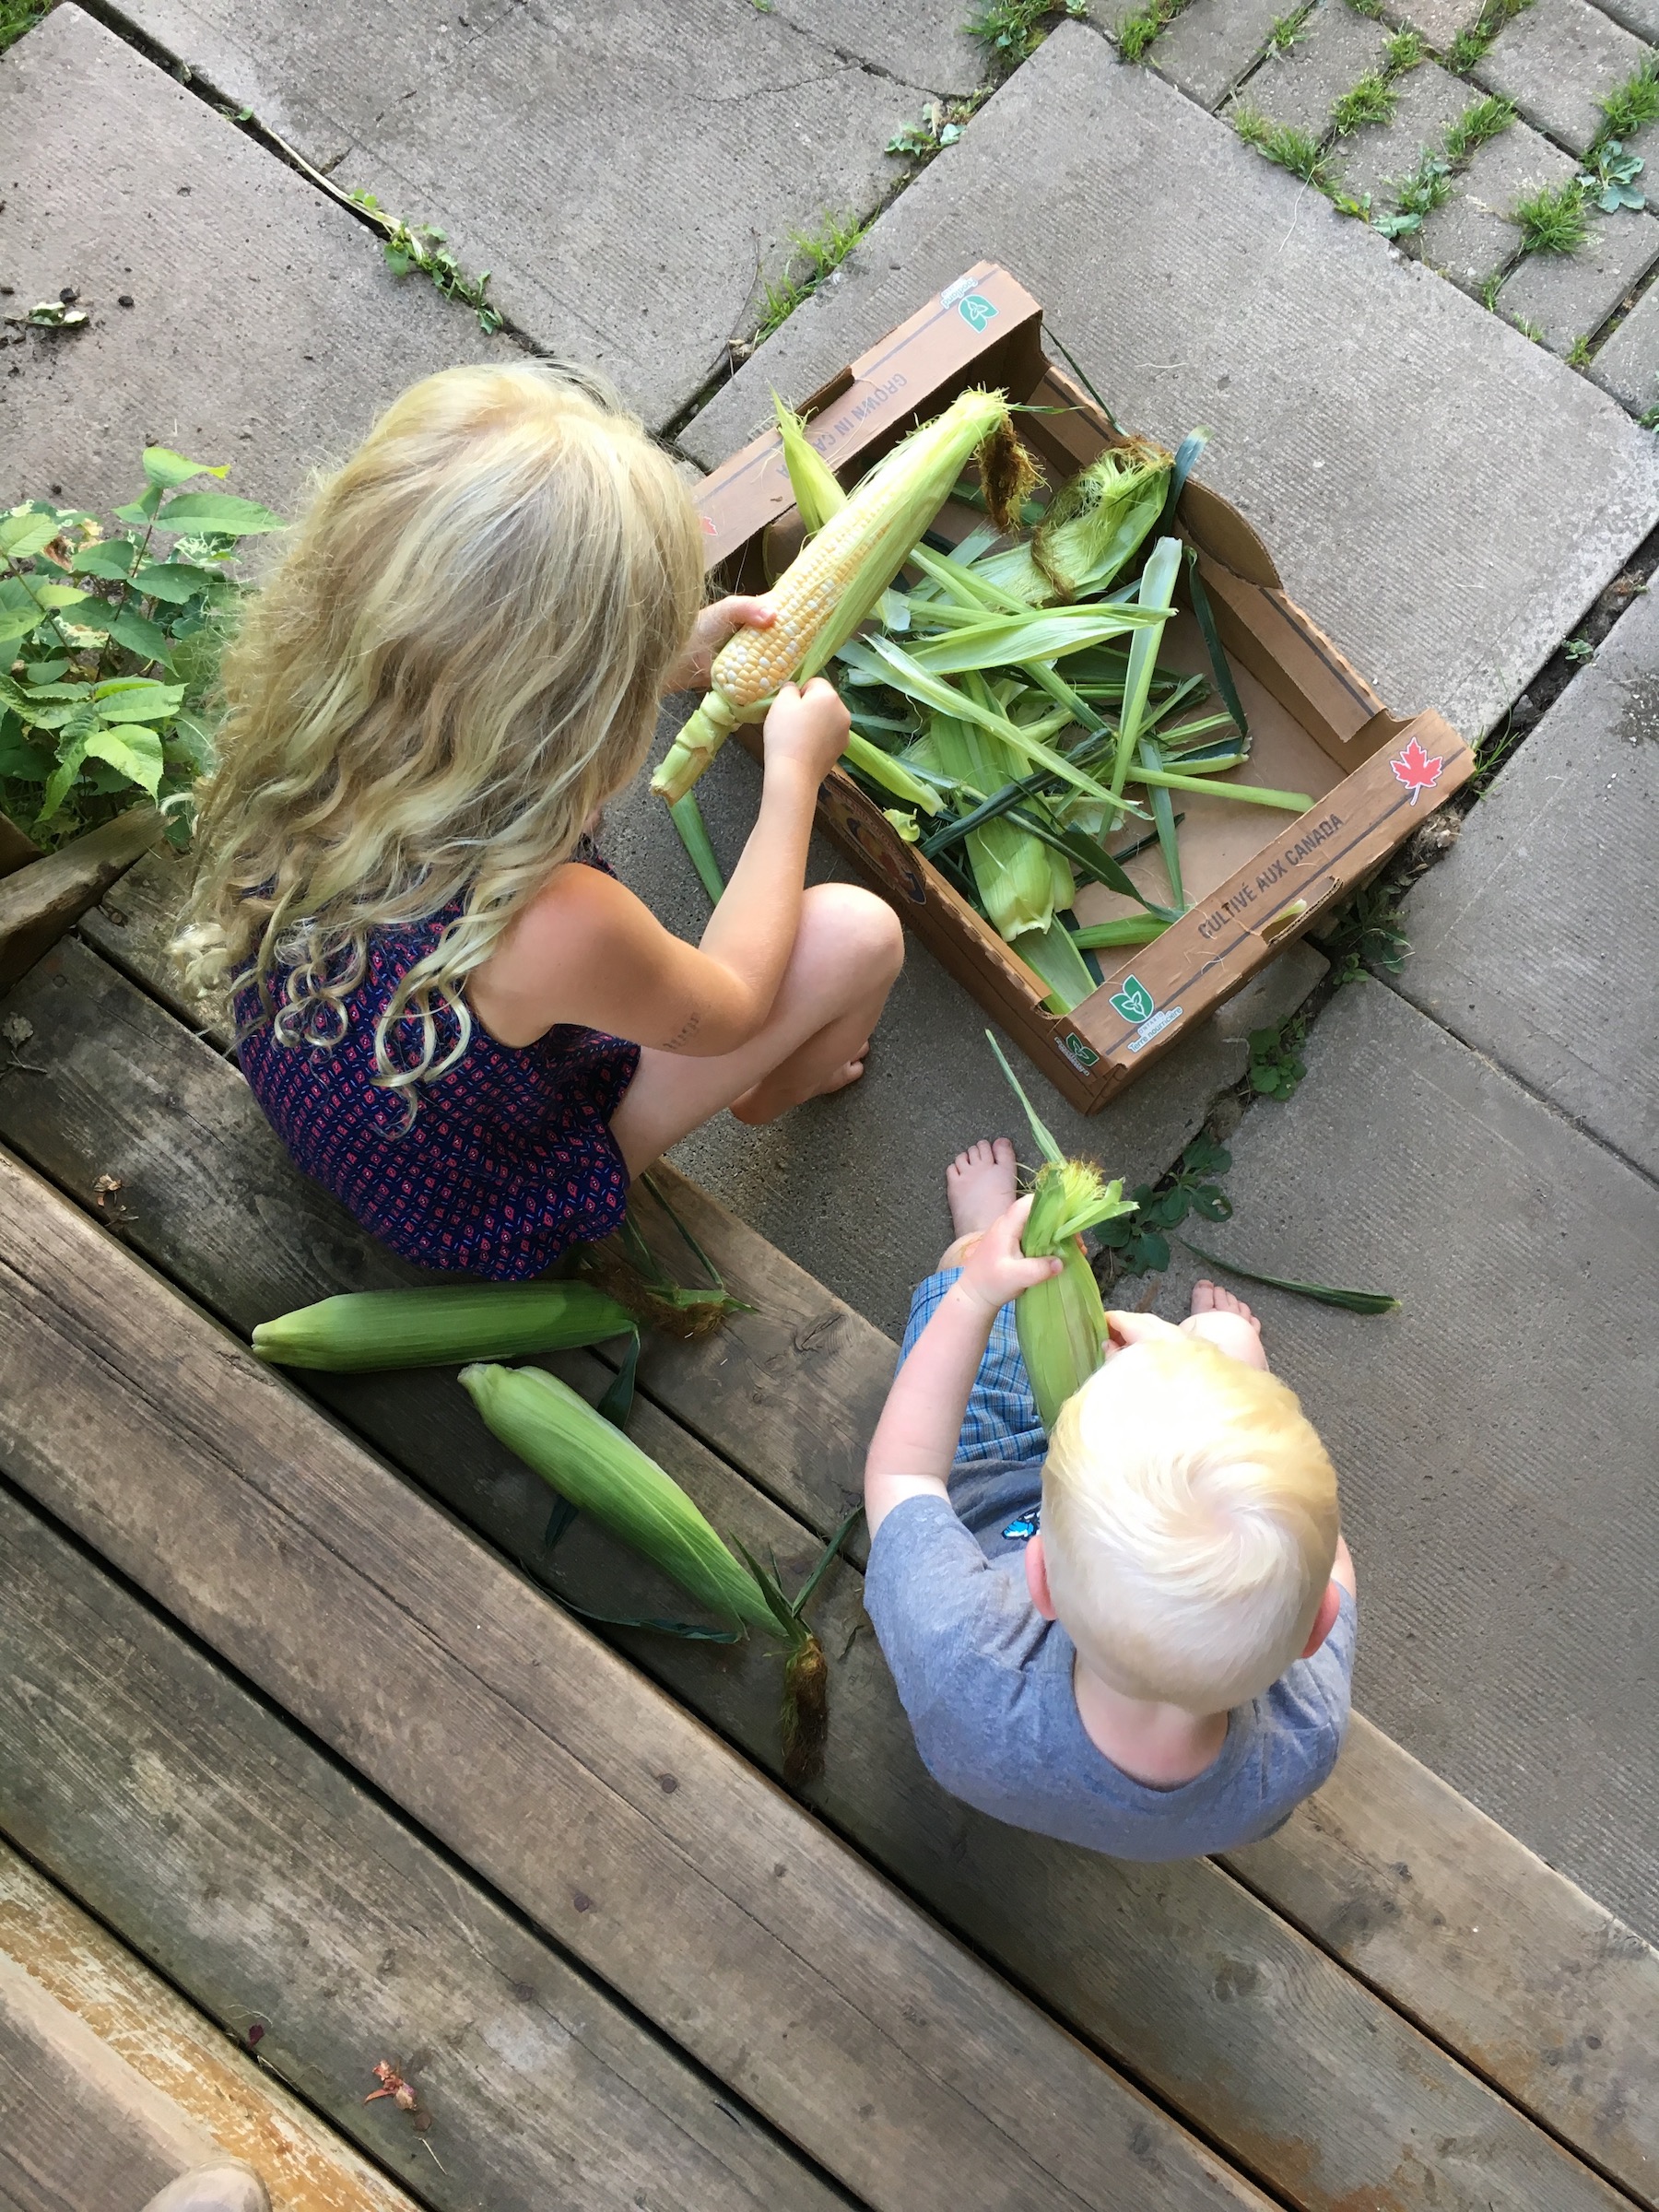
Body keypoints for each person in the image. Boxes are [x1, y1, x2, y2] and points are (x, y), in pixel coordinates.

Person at [174, 362, 902, 1279]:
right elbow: (734, 1005)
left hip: (331, 1083)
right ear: (572, 706)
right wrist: (794, 778)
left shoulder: (324, 723)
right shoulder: (554, 925)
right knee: (858, 934)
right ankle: (778, 1091)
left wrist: (654, 661)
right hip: (476, 1205)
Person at [862, 1138, 1357, 1859]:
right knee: (1224, 1338)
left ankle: (980, 1227)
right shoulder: (1301, 1741)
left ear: (1041, 1579)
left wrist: (976, 1293)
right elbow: (1331, 1553)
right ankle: (1222, 1355)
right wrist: (1228, 1388)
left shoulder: (966, 1656)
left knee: (970, 1269)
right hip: (1095, 1543)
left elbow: (904, 1474)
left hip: (990, 1470)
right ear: (1317, 1627)